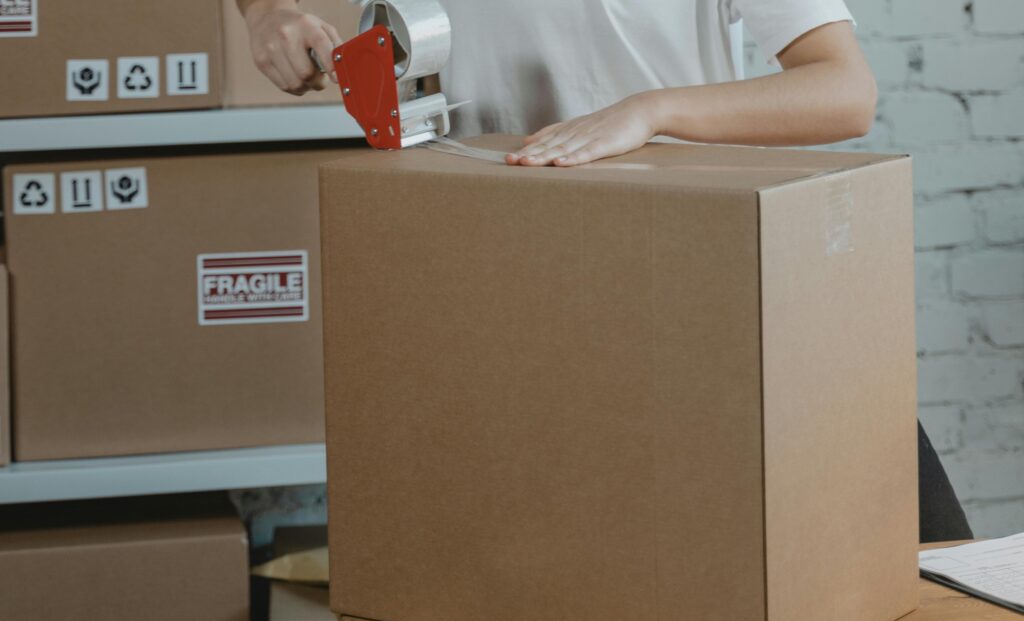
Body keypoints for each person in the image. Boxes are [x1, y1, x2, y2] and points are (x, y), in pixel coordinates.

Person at [237, 0, 974, 542]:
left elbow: (845, 90)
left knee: (917, 547)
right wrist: (267, 10)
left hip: (699, 288)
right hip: (505, 298)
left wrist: (650, 112)